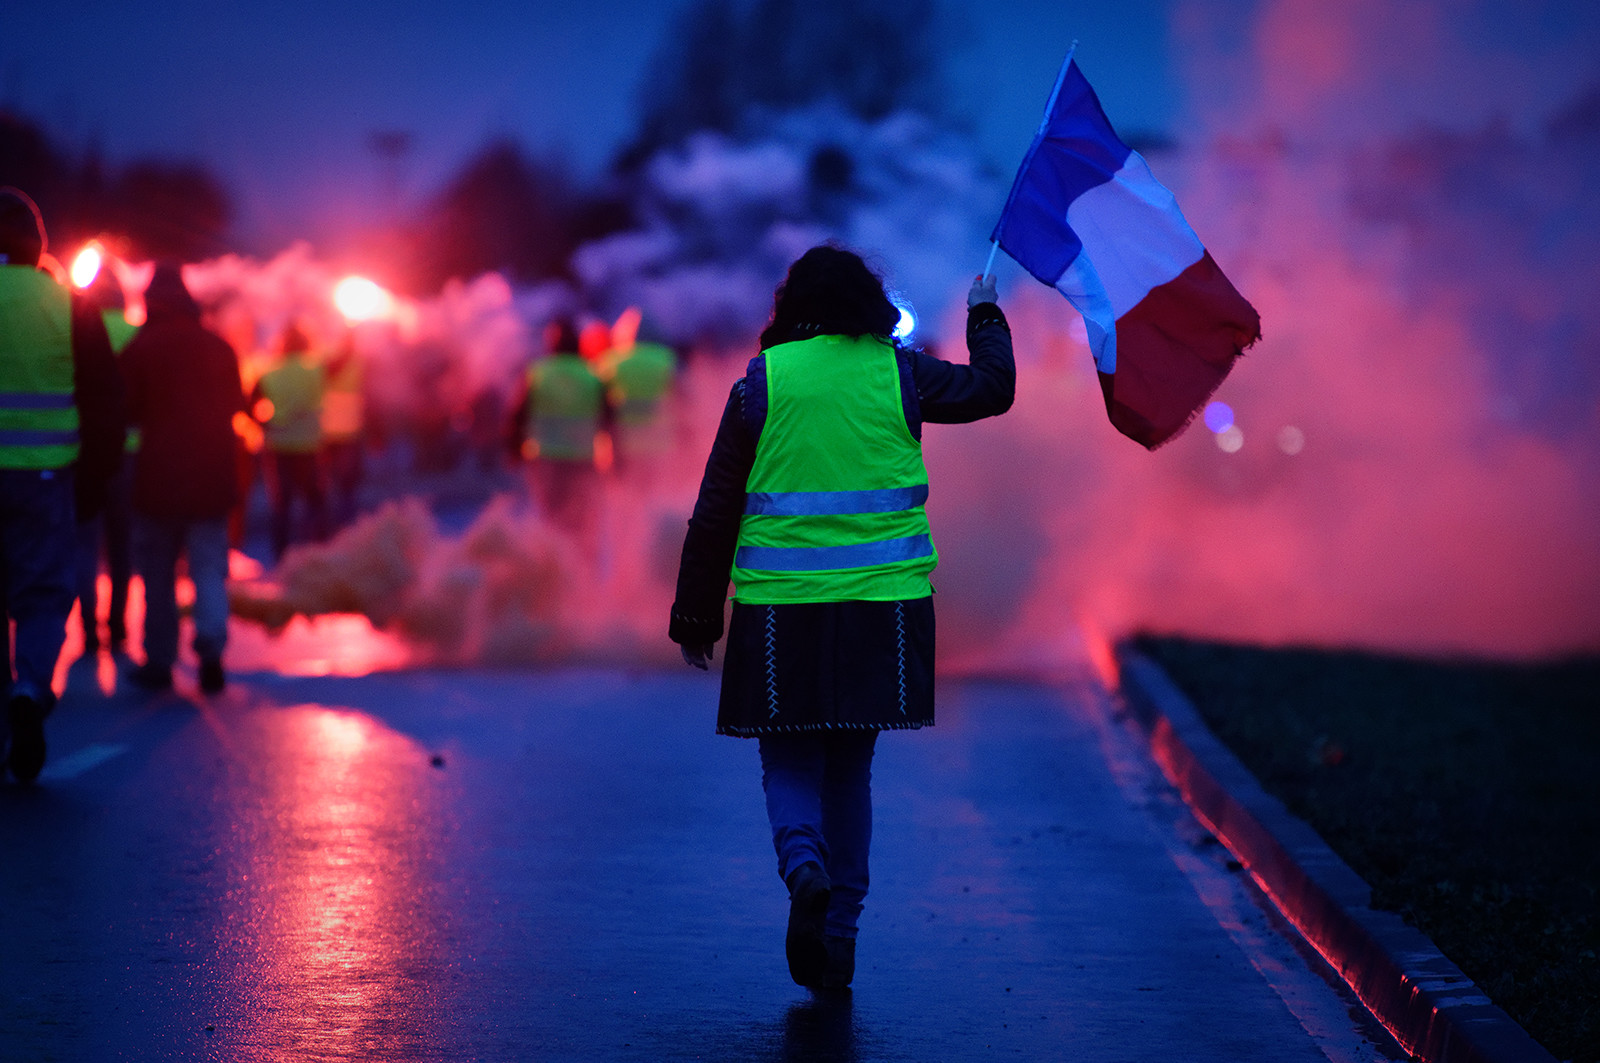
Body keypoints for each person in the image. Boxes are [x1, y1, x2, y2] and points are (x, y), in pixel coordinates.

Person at [669, 245, 1015, 989]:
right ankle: (841, 935)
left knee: (790, 758)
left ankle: (803, 870)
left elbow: (716, 505)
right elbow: (991, 389)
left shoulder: (763, 381)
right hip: (881, 610)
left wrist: (696, 612)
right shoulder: (899, 371)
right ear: (870, 302)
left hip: (779, 611)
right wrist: (984, 309)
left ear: (791, 307)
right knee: (851, 766)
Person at [0, 187, 125, 781]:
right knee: (44, 593)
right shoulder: (68, 303)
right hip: (49, 475)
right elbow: (104, 398)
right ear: (38, 245)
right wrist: (96, 476)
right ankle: (29, 688)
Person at [120, 264, 245, 693]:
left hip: (157, 480)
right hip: (212, 477)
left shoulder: (141, 348)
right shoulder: (218, 347)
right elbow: (236, 405)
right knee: (209, 568)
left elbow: (127, 409)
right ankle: (211, 647)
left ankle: (160, 659)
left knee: (157, 575)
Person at [75, 270, 138, 653]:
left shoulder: (78, 332)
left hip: (84, 450)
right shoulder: (137, 333)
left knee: (85, 543)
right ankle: (117, 623)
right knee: (122, 545)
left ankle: (86, 624)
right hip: (129, 452)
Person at [510, 318, 609, 538]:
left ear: (551, 345)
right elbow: (608, 416)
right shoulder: (592, 375)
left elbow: (519, 416)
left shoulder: (537, 374)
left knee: (551, 521)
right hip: (581, 460)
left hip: (546, 461)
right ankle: (580, 567)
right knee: (582, 522)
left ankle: (554, 564)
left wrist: (514, 451)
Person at [253, 323, 327, 560]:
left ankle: (281, 556)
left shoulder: (269, 373)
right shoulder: (315, 370)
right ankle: (314, 552)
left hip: (279, 446)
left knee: (281, 507)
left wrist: (264, 425)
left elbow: (248, 402)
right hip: (309, 446)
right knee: (314, 503)